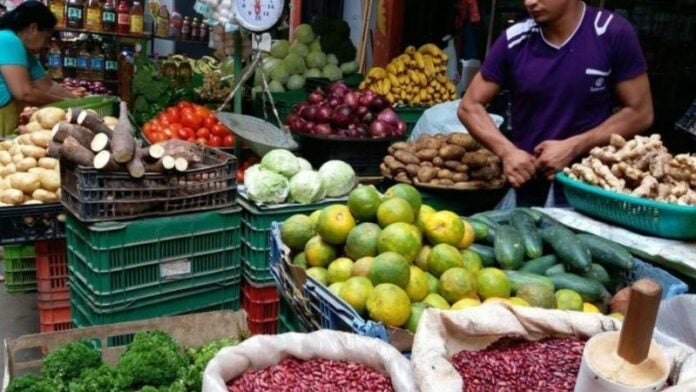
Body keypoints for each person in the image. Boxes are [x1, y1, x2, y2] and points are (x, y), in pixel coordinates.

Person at [457, 0, 653, 206]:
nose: (530, 2)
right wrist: (507, 151)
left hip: (590, 187)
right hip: (527, 184)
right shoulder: (515, 39)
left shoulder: (612, 33)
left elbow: (640, 112)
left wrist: (575, 146)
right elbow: (470, 106)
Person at [0, 1, 80, 136]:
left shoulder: (23, 49)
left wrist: (79, 103)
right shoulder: (8, 40)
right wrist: (65, 104)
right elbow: (24, 93)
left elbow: (47, 86)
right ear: (33, 28)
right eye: (46, 38)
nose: (47, 45)